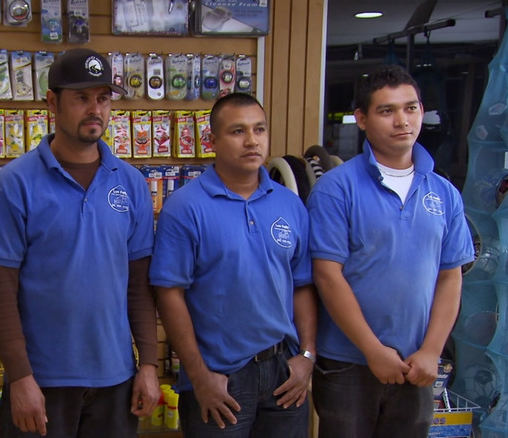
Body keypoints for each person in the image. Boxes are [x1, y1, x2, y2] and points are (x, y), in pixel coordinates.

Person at [0, 48, 161, 438]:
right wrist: (20, 377)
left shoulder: (130, 183)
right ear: (51, 103)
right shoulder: (14, 184)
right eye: (81, 97)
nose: (94, 109)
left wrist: (148, 363)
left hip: (116, 380)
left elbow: (139, 286)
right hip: (42, 382)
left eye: (103, 98)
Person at [306, 64, 475, 438]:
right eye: (387, 110)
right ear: (362, 119)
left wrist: (432, 350)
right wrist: (372, 349)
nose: (402, 120)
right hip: (348, 363)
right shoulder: (337, 188)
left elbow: (450, 276)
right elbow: (327, 275)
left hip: (417, 365)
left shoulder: (443, 192)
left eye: (411, 108)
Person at [150, 92, 317, 438]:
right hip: (220, 378)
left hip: (283, 372)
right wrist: (198, 376)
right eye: (238, 131)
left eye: (259, 129)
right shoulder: (185, 208)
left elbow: (302, 285)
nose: (252, 140)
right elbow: (169, 295)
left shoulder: (290, 204)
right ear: (213, 141)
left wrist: (306, 357)